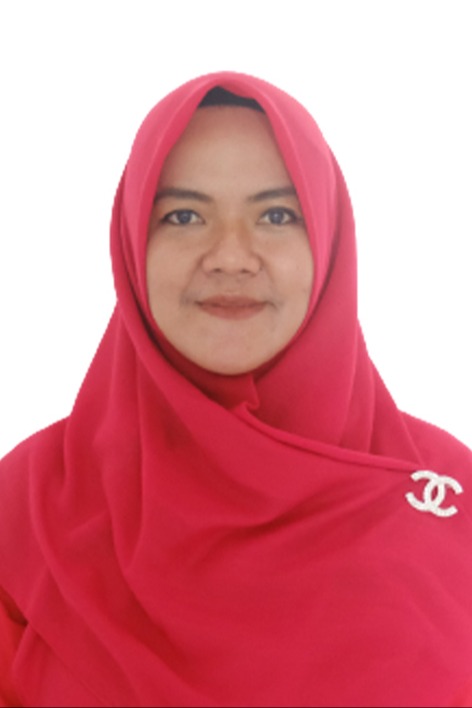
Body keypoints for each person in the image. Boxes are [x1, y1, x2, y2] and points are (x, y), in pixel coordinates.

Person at [0, 71, 471, 707]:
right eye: (184, 216)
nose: (230, 256)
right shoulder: (27, 510)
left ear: (329, 240)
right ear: (132, 243)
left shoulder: (450, 500)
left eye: (276, 215)